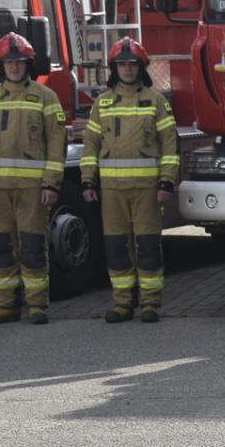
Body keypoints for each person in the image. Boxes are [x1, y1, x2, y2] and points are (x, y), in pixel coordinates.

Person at [80, 37, 180, 323]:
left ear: (141, 68)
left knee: (148, 247)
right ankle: (123, 303)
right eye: (122, 64)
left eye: (132, 64)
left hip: (147, 190)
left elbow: (169, 145)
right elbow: (91, 146)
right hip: (111, 191)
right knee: (116, 248)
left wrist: (166, 182)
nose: (127, 69)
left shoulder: (156, 102)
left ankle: (150, 304)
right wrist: (88, 181)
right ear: (114, 68)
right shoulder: (102, 104)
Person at [0, 32, 64, 325]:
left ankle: (37, 306)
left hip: (32, 189)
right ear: (0, 65)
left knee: (33, 246)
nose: (14, 67)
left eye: (19, 62)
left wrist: (51, 183)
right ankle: (5, 306)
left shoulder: (45, 97)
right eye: (9, 62)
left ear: (28, 64)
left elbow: (56, 144)